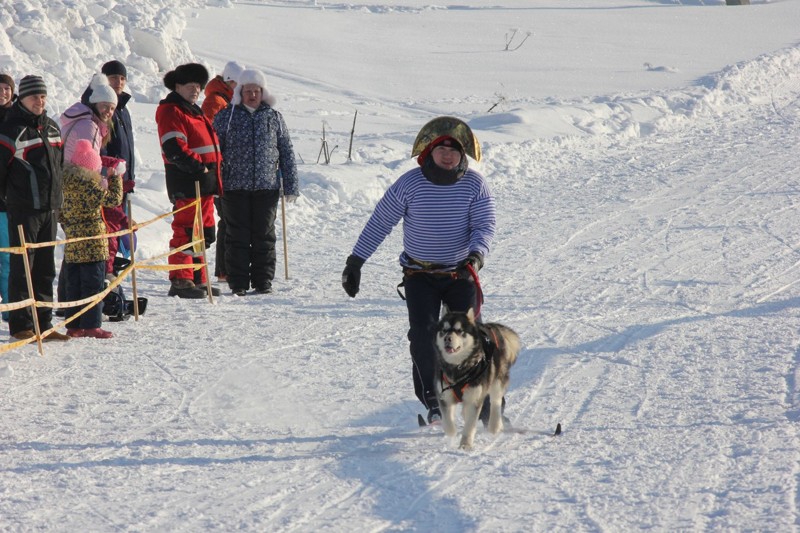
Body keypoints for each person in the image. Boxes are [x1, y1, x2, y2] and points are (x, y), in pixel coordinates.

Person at [341, 116, 496, 424]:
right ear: (429, 151)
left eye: (454, 149)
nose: (448, 154)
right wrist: (355, 261)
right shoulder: (410, 183)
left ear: (463, 152)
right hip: (419, 275)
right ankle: (435, 401)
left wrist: (476, 258)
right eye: (442, 148)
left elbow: (484, 225)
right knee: (424, 337)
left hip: (460, 273)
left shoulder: (474, 184)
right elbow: (380, 222)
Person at [213, 68, 298, 296]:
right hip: (234, 187)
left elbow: (286, 152)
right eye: (248, 91)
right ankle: (238, 283)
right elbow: (214, 151)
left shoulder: (274, 117)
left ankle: (263, 282)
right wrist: (214, 183)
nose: (252, 95)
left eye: (256, 91)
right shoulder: (226, 117)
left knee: (264, 236)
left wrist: (290, 185)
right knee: (236, 236)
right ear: (241, 92)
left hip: (267, 186)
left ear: (263, 92)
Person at [0, 75, 70, 341]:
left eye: (43, 96)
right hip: (23, 210)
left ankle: (43, 323)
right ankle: (20, 326)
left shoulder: (52, 127)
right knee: (22, 267)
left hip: (49, 208)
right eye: (34, 97)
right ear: (23, 98)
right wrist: (10, 198)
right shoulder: (11, 129)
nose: (39, 101)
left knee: (44, 268)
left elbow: (58, 167)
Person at [155, 63, 222, 299]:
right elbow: (174, 147)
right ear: (177, 86)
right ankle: (180, 279)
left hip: (204, 183)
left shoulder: (194, 110)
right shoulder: (172, 110)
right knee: (185, 230)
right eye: (190, 85)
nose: (195, 90)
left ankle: (198, 278)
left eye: (198, 86)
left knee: (201, 232)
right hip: (188, 181)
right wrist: (199, 167)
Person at [60, 139, 123, 339]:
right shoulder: (88, 185)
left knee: (74, 285)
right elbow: (114, 199)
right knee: (93, 285)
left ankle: (73, 324)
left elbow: (60, 214)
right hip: (93, 243)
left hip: (72, 242)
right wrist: (115, 178)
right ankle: (91, 325)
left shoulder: (65, 185)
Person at [82, 60, 137, 278]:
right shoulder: (98, 107)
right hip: (106, 178)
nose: (119, 82)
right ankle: (106, 272)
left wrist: (129, 176)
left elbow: (127, 146)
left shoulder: (122, 109)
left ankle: (112, 270)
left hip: (122, 179)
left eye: (122, 78)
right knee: (108, 229)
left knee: (117, 230)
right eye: (114, 78)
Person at [203, 60, 244, 285]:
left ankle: (226, 268)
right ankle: (223, 270)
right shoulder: (216, 101)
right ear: (230, 81)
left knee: (230, 219)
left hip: (227, 168)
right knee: (227, 219)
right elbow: (208, 133)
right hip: (219, 169)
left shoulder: (227, 100)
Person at [0, 74, 16, 322]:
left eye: (6, 88)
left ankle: (11, 305)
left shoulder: (16, 119)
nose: (3, 92)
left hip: (8, 198)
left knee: (7, 253)